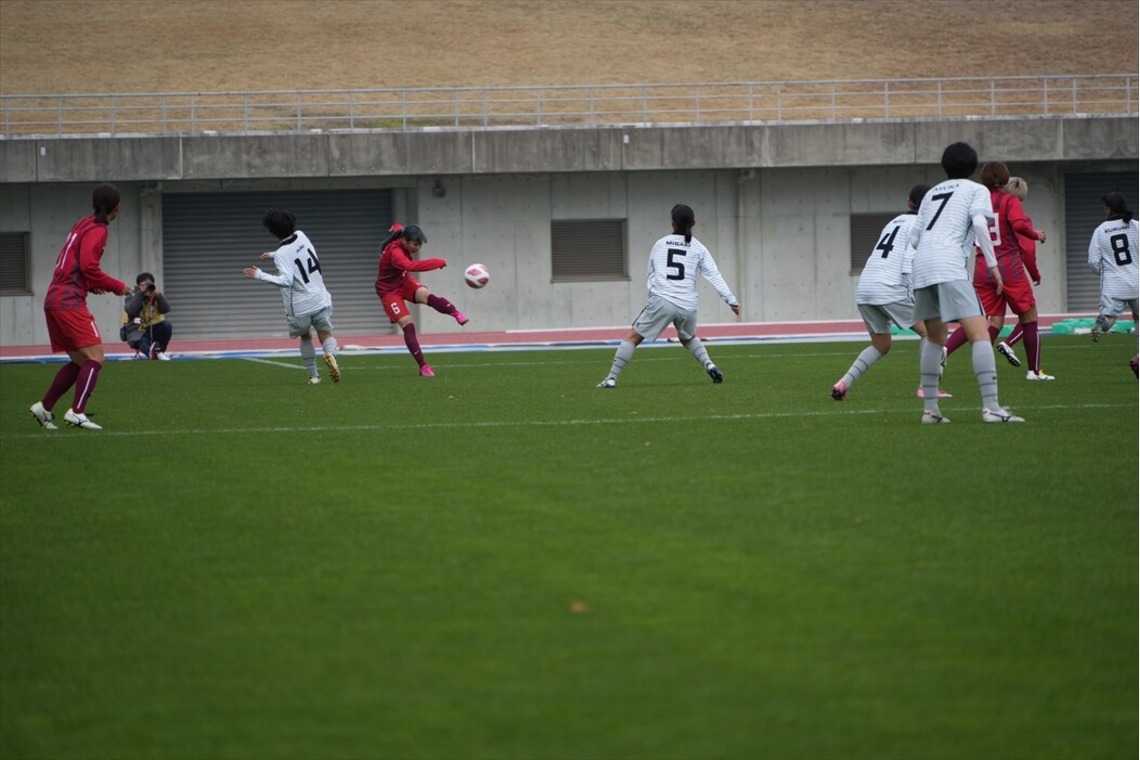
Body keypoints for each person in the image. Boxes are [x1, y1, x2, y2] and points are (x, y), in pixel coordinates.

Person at [908, 142, 1023, 423]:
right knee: (981, 334)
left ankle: (931, 411)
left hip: (922, 266)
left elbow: (914, 238)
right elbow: (981, 225)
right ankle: (992, 408)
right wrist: (994, 266)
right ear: (973, 167)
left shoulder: (932, 193)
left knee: (935, 339)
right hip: (949, 265)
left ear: (945, 166)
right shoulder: (976, 190)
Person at [597, 203, 740, 388]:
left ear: (672, 223)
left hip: (662, 300)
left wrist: (653, 298)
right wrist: (731, 300)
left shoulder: (660, 244)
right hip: (688, 305)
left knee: (632, 338)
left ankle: (611, 379)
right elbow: (714, 275)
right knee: (687, 338)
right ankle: (710, 365)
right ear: (694, 222)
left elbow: (651, 274)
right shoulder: (699, 248)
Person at [29, 183, 134, 431]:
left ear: (93, 205)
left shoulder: (82, 224)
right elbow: (88, 267)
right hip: (68, 301)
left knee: (81, 362)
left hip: (55, 298)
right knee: (96, 358)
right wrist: (117, 286)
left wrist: (89, 284)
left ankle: (44, 407)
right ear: (117, 208)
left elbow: (75, 264)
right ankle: (77, 412)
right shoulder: (99, 230)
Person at [832, 183, 952, 401]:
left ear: (909, 202)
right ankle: (927, 387)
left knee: (881, 344)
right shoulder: (922, 225)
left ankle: (843, 383)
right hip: (891, 286)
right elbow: (908, 263)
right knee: (933, 333)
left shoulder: (893, 222)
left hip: (865, 288)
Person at [940, 163, 1051, 380]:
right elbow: (1018, 225)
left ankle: (945, 350)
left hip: (982, 267)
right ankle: (1034, 371)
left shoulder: (975, 201)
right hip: (1009, 267)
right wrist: (1036, 234)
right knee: (1029, 317)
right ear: (1005, 178)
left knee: (981, 319)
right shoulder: (1010, 201)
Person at [243, 208, 341, 385]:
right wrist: (273, 255)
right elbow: (297, 255)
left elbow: (286, 281)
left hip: (300, 307)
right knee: (325, 333)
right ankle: (330, 354)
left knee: (305, 337)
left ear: (272, 231)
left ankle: (314, 376)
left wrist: (260, 274)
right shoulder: (301, 236)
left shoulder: (282, 254)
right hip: (320, 298)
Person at [374, 222, 468, 378]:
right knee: (408, 325)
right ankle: (423, 366)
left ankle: (455, 313)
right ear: (404, 240)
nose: (418, 248)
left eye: (420, 244)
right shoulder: (395, 252)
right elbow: (410, 266)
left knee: (426, 295)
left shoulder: (401, 237)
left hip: (403, 282)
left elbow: (399, 229)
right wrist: (436, 262)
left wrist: (396, 226)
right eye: (415, 244)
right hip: (389, 291)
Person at [991, 176, 1044, 371]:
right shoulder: (1019, 219)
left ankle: (978, 357)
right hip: (1011, 271)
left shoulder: (990, 215)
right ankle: (1033, 369)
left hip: (989, 270)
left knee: (993, 319)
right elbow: (1028, 251)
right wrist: (1035, 274)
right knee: (1030, 315)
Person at [1087, 191, 1139, 343]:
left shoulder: (1100, 230)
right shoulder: (1136, 226)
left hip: (1114, 285)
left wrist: (1106, 271)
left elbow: (1093, 261)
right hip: (1137, 282)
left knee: (1109, 319)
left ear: (1109, 209)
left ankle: (1100, 324)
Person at [121, 272, 173, 360]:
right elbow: (131, 310)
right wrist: (141, 294)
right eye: (143, 285)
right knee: (140, 339)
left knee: (167, 325)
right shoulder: (131, 296)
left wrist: (159, 296)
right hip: (135, 329)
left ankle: (159, 353)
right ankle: (152, 354)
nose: (146, 287)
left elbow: (166, 309)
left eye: (149, 284)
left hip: (152, 327)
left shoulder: (155, 295)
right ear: (138, 286)